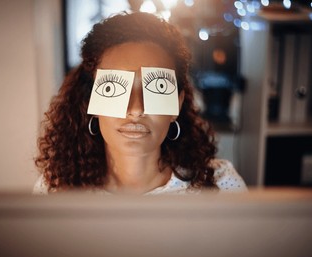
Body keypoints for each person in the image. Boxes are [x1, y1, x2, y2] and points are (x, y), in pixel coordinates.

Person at [34, 12, 246, 195]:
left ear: (177, 105)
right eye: (112, 89)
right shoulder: (55, 189)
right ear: (91, 101)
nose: (135, 110)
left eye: (158, 88)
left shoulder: (220, 185)